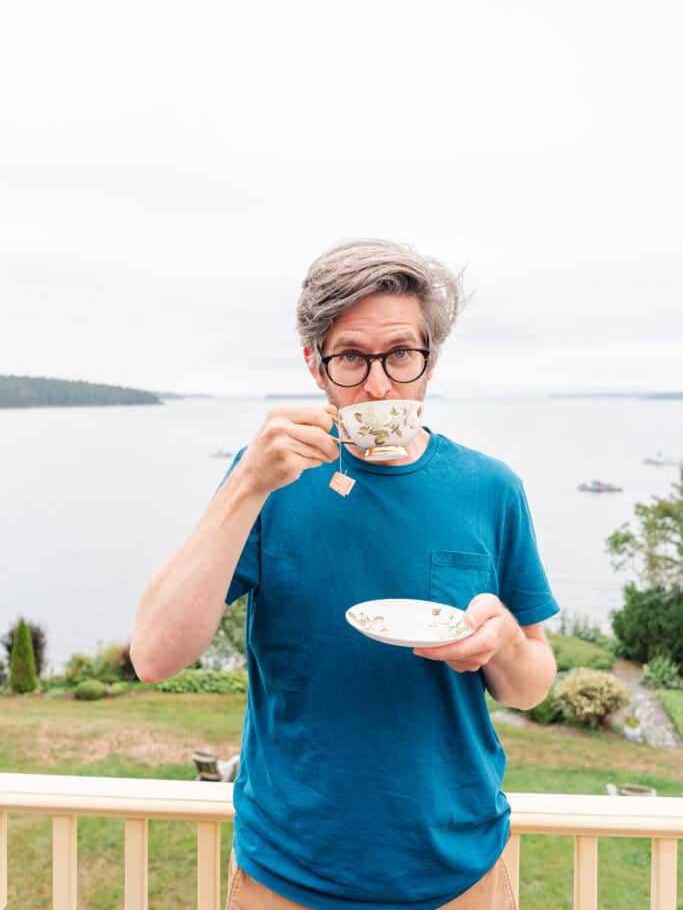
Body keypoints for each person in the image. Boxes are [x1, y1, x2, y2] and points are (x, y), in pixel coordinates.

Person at [130, 238, 559, 910]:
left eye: (400, 355)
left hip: (460, 872)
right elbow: (154, 656)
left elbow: (530, 686)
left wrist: (504, 640)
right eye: (351, 357)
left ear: (430, 360)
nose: (379, 384)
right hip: (287, 876)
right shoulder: (269, 477)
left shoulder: (489, 488)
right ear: (314, 364)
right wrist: (246, 484)